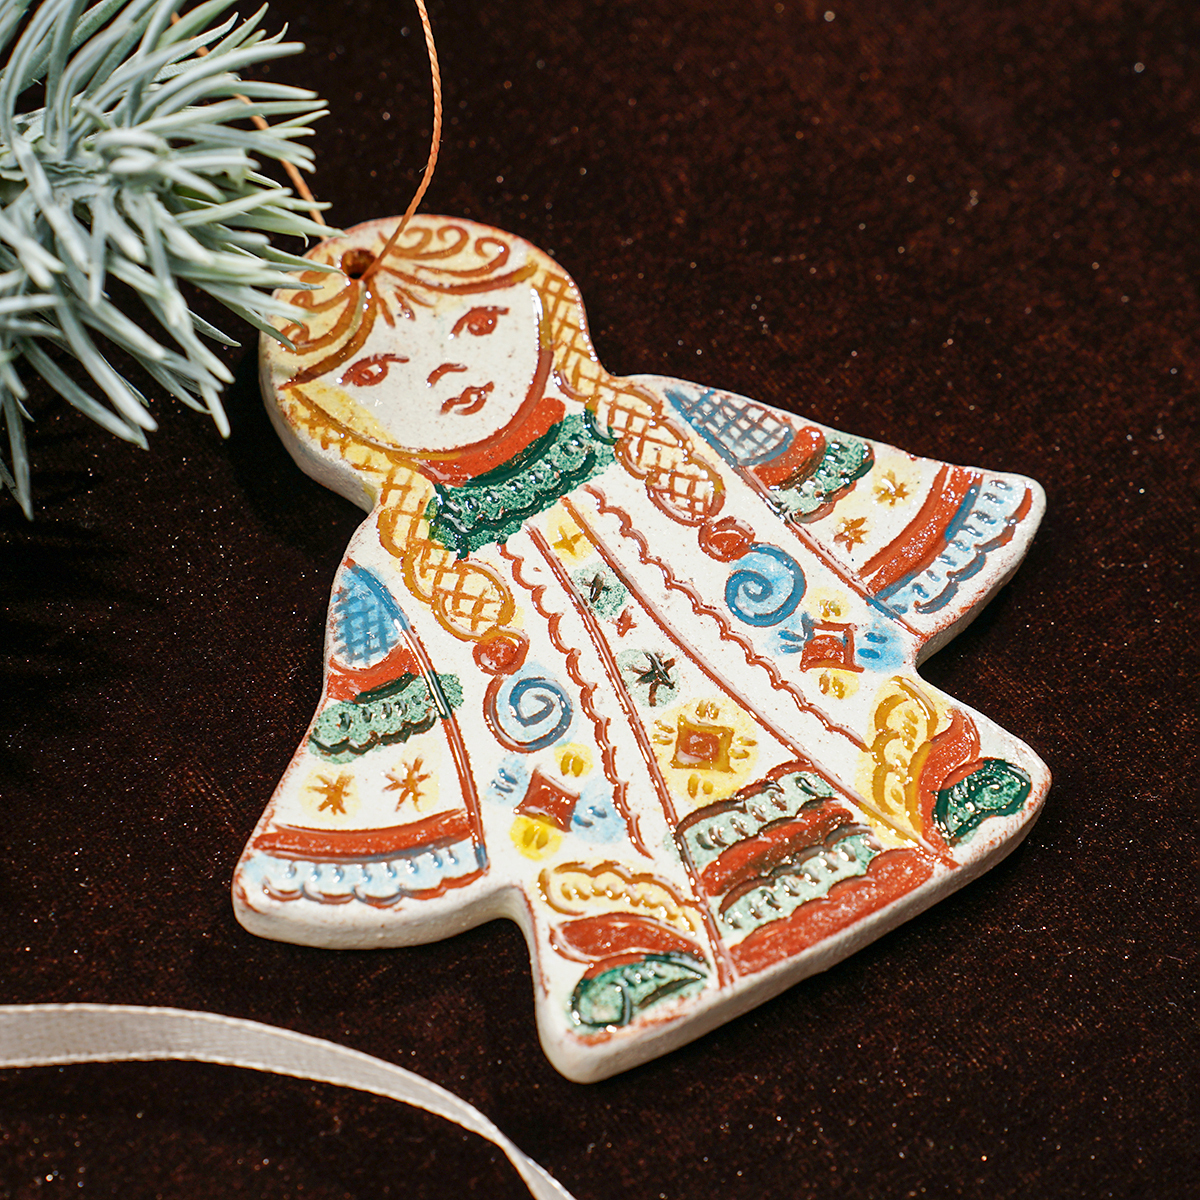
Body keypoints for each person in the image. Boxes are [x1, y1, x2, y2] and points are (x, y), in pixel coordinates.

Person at [234, 216, 1049, 1082]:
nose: (442, 372)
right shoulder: (392, 557)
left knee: (835, 678)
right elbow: (390, 712)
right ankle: (640, 951)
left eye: (479, 326)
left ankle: (937, 790)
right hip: (581, 760)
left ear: (543, 317)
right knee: (559, 813)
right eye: (375, 374)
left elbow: (815, 486)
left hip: (781, 674)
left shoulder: (659, 416)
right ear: (330, 415)